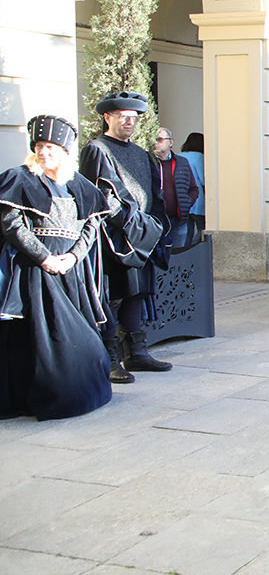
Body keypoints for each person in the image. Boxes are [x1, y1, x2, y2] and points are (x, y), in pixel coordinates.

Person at [0, 116, 113, 420]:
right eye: (39, 146)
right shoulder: (20, 178)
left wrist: (73, 257)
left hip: (70, 271)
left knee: (79, 335)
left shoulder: (78, 184)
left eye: (51, 147)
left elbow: (91, 226)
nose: (44, 152)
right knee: (34, 336)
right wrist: (43, 258)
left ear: (63, 151)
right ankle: (32, 397)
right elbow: (12, 224)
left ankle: (80, 390)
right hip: (35, 272)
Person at [78, 92, 170, 384]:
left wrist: (153, 227)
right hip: (112, 240)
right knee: (113, 297)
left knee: (136, 293)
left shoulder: (142, 154)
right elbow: (102, 196)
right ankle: (110, 358)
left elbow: (155, 194)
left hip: (142, 236)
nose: (129, 121)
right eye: (122, 115)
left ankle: (138, 352)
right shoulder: (97, 150)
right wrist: (135, 226)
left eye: (133, 116)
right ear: (108, 117)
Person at [152, 128, 200, 250]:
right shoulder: (148, 162)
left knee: (177, 256)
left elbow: (194, 188)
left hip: (178, 220)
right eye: (154, 140)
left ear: (171, 142)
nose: (156, 143)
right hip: (155, 221)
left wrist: (186, 203)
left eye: (160, 139)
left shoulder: (181, 162)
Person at [180, 133, 206, 245]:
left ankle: (184, 250)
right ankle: (196, 249)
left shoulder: (179, 155)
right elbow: (203, 180)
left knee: (187, 230)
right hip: (197, 198)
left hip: (182, 198)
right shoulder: (199, 156)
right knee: (201, 229)